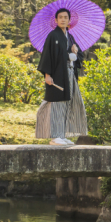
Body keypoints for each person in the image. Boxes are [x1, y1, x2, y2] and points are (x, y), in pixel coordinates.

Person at [35, 8, 88, 146]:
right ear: (56, 20)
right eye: (60, 17)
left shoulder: (70, 37)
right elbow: (47, 55)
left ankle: (62, 135)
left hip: (69, 74)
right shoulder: (53, 36)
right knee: (57, 104)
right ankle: (55, 136)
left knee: (67, 103)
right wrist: (47, 74)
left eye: (66, 17)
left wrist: (75, 52)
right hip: (57, 75)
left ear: (69, 20)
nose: (63, 19)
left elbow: (79, 57)